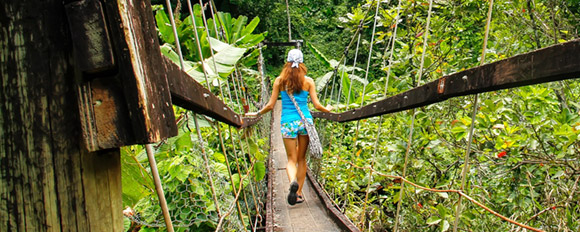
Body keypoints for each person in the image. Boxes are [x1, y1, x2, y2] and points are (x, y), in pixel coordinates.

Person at [246, 49, 332, 205]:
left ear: (287, 62)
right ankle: (298, 193)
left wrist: (257, 113)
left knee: (291, 160)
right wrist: (329, 109)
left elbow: (271, 105)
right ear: (302, 63)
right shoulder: (309, 81)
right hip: (305, 122)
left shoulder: (279, 81)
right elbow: (317, 105)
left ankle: (292, 181)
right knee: (301, 160)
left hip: (287, 123)